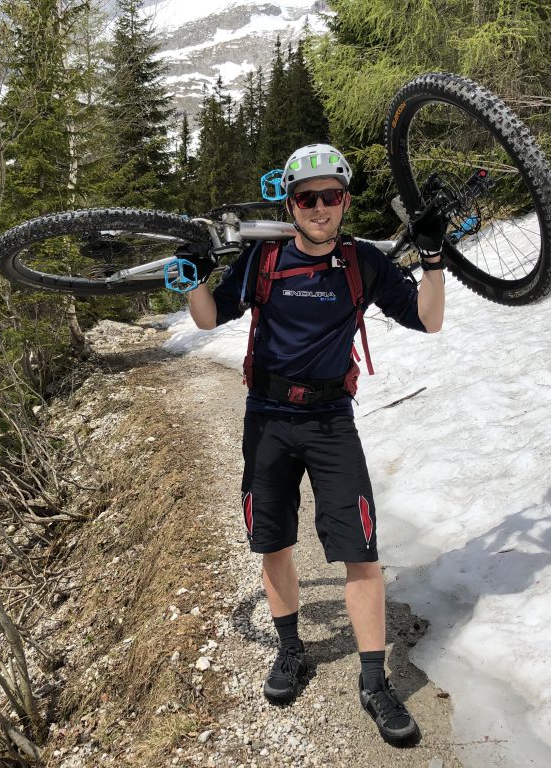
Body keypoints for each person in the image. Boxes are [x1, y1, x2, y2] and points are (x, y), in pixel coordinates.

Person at [181, 143, 446, 747]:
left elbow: (429, 320)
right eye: (308, 198)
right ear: (291, 204)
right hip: (267, 418)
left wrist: (432, 260)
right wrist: (194, 278)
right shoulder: (263, 257)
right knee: (272, 539)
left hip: (331, 421)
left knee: (361, 551)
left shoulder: (363, 264)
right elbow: (206, 318)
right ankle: (291, 650)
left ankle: (375, 681)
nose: (320, 208)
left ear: (345, 200)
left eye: (331, 196)